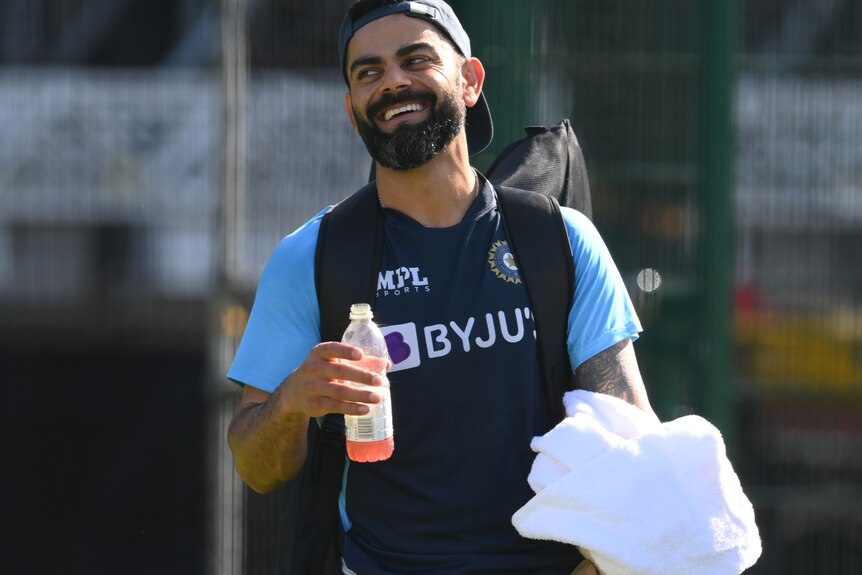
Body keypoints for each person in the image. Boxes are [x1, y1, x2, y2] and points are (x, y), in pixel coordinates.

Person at [227, 1, 655, 573]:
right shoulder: (311, 256)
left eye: (417, 59)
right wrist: (292, 403)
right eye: (369, 71)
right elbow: (257, 469)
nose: (393, 82)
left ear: (470, 81)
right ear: (353, 110)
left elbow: (632, 439)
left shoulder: (561, 240)